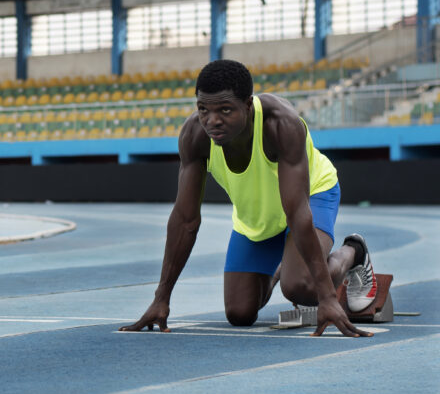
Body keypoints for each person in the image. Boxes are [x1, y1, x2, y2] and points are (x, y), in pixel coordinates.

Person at [119, 59, 377, 338]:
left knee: (301, 287)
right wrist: (161, 298)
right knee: (239, 314)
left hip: (311, 196)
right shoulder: (195, 135)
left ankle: (353, 252)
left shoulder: (281, 124)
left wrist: (327, 297)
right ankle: (282, 267)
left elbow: (298, 213)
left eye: (225, 110)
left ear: (248, 104)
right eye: (203, 109)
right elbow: (185, 220)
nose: (212, 120)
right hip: (256, 214)